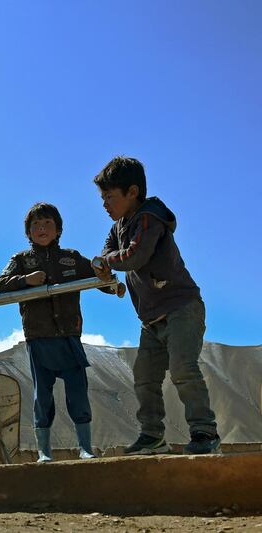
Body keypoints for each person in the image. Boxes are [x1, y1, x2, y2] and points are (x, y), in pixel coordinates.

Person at [91, 156, 220, 455]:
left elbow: (134, 257)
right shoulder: (119, 227)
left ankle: (204, 432)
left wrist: (104, 263)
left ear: (132, 192)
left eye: (110, 196)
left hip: (181, 308)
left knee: (183, 369)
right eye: (103, 198)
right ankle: (152, 436)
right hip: (150, 319)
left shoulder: (150, 218)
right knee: (144, 378)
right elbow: (108, 251)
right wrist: (105, 261)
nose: (104, 204)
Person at [0, 202, 124, 462]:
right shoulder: (21, 260)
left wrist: (113, 286)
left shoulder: (72, 257)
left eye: (47, 224)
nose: (41, 229)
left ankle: (85, 448)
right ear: (28, 232)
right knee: (43, 395)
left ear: (58, 229)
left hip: (68, 336)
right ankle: (44, 451)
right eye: (35, 225)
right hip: (38, 338)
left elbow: (98, 277)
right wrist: (25, 280)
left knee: (78, 391)